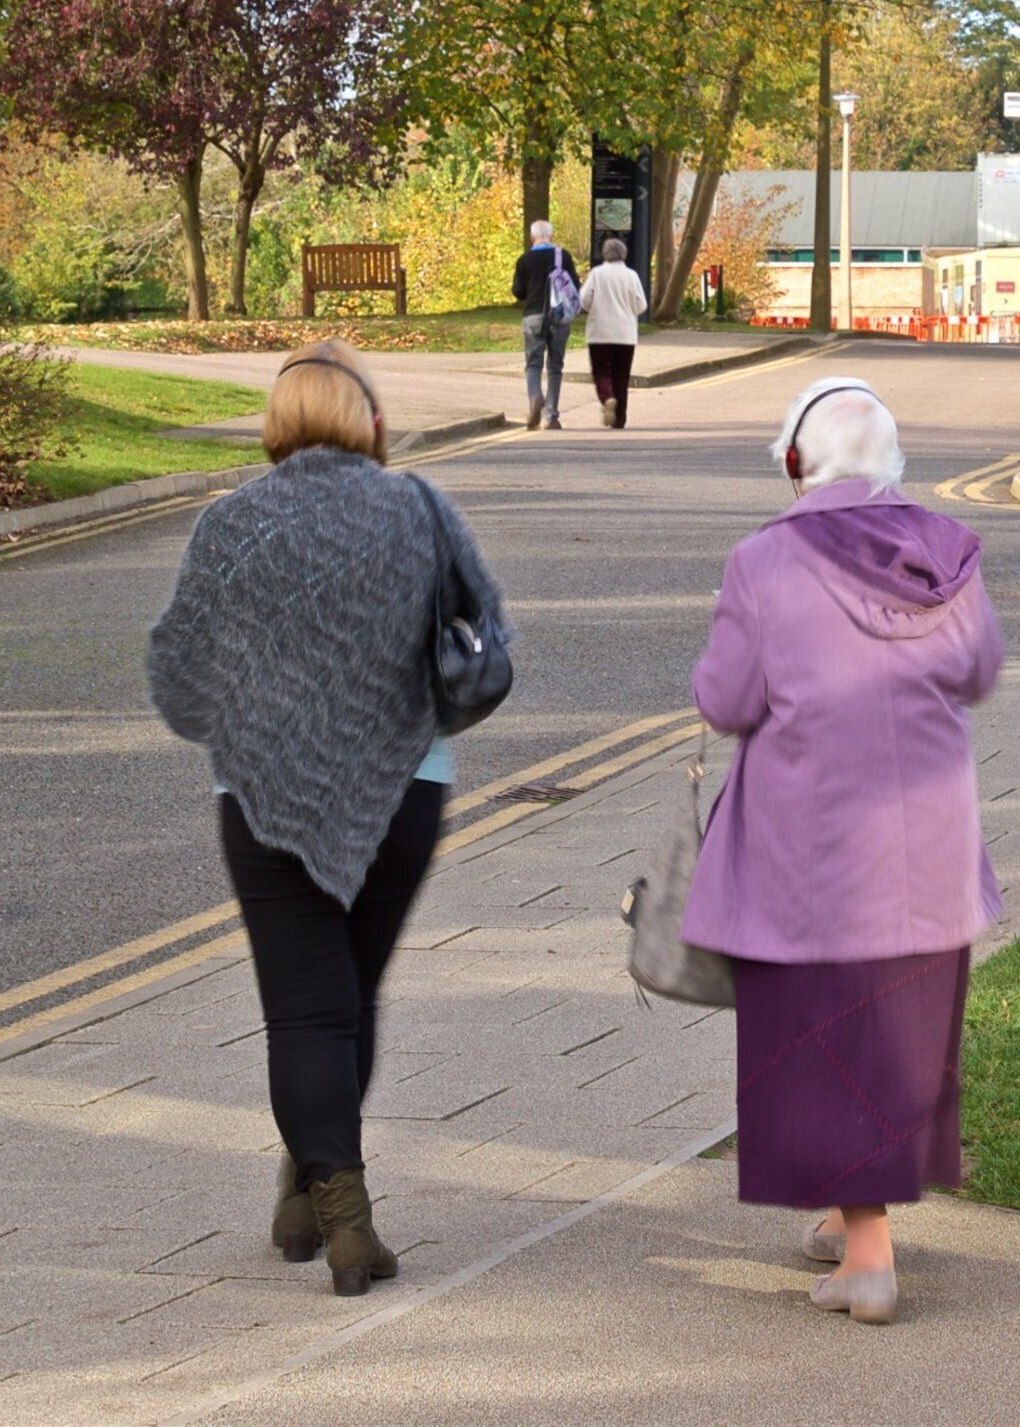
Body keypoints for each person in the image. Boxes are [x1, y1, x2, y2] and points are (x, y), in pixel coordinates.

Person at [149, 341, 504, 1297]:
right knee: (348, 1001)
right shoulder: (421, 509)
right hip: (406, 790)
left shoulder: (231, 526)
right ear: (367, 422)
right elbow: (487, 648)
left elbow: (178, 683)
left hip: (263, 801)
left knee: (308, 1010)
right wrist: (423, 724)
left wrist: (247, 726)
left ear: (273, 426)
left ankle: (338, 1214)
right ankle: (326, 1202)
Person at [685, 377, 1004, 1326]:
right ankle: (842, 1211)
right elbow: (979, 668)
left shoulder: (764, 560)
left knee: (824, 1030)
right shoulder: (948, 549)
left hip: (811, 840)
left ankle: (868, 1259)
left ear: (797, 461)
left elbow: (727, 701)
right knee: (897, 1028)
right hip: (929, 835)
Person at [513, 220, 582, 429]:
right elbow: (575, 286)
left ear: (532, 237)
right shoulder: (563, 256)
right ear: (551, 236)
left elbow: (518, 291)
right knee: (555, 366)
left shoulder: (525, 260)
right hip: (559, 316)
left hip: (533, 316)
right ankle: (551, 415)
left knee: (533, 364)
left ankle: (535, 397)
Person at [579, 236, 648, 428]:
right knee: (621, 376)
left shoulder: (597, 274)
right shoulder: (632, 275)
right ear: (623, 254)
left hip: (599, 332)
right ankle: (620, 419)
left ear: (605, 254)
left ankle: (607, 397)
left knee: (601, 371)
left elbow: (584, 300)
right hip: (625, 334)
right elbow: (641, 305)